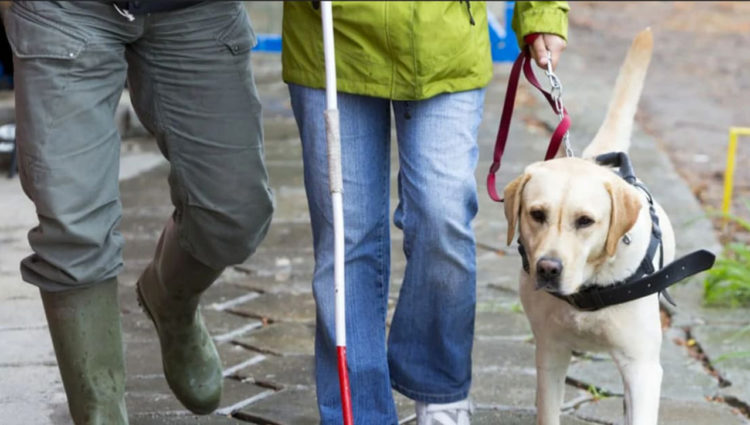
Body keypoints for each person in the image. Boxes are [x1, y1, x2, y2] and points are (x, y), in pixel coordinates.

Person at [281, 1, 568, 424]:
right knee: (348, 237)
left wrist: (542, 11)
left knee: (443, 214)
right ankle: (357, 412)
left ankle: (441, 393)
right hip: (331, 40)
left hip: (443, 40)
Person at [3, 1, 273, 423]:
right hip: (64, 10)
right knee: (71, 223)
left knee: (235, 211)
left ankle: (171, 300)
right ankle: (101, 410)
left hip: (195, 9)